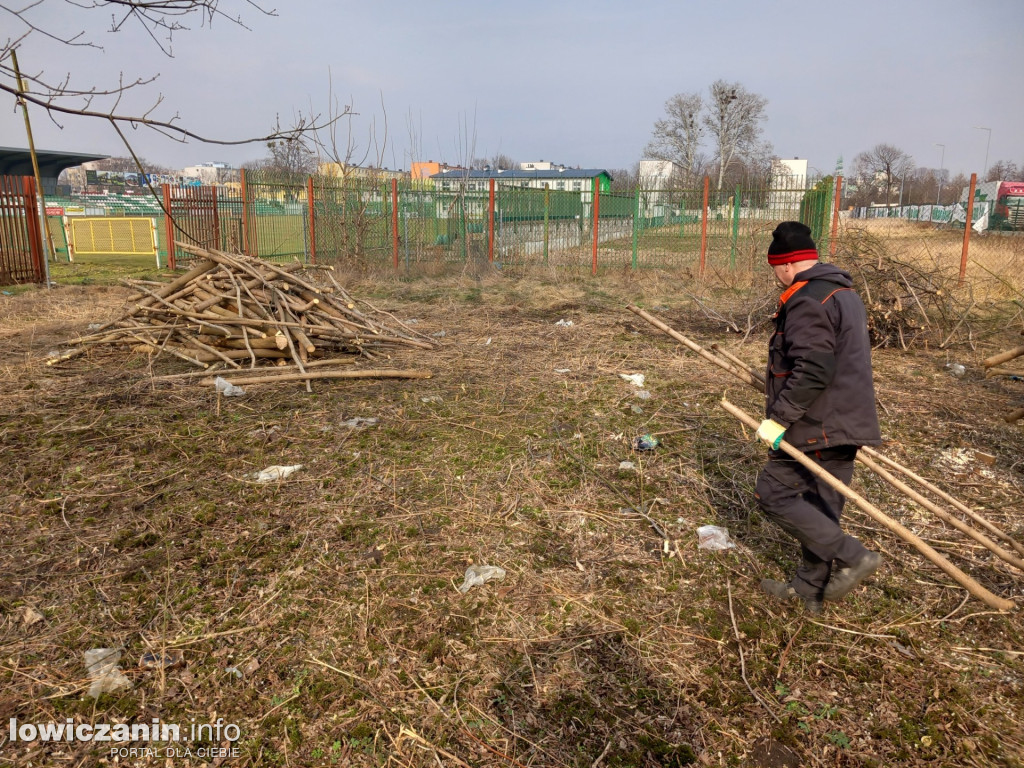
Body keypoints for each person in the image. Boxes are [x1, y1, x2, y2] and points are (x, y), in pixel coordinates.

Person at [753, 221, 883, 614]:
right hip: (847, 420)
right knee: (822, 505)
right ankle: (810, 588)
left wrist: (779, 418)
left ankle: (855, 556)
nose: (776, 276)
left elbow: (813, 369)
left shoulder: (808, 299)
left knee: (772, 493)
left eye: (776, 267)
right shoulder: (844, 293)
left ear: (787, 264)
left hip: (818, 424)